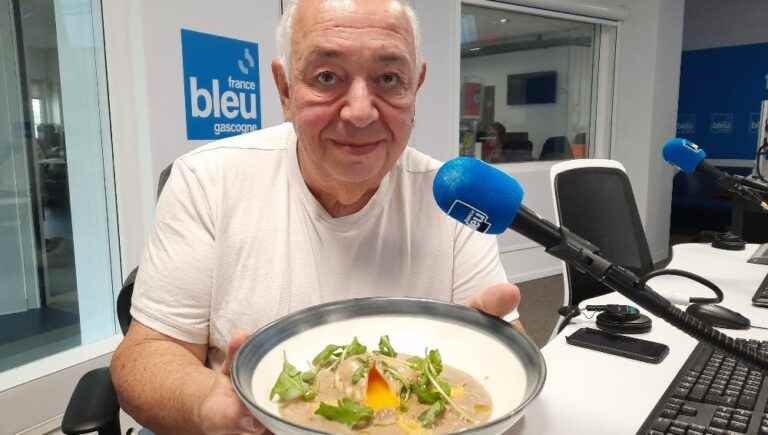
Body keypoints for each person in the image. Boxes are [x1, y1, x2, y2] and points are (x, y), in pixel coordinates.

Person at [111, 1, 523, 433]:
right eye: (327, 77)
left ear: (415, 86)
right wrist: (209, 405)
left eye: (389, 79)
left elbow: (506, 376)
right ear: (285, 89)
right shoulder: (207, 180)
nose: (360, 112)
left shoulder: (455, 197)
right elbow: (147, 354)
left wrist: (485, 345)